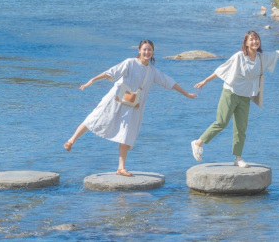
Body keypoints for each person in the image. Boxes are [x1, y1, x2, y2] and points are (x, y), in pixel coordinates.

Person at [64, 39, 197, 176]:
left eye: (149, 49)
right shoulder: (130, 63)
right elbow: (111, 72)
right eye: (144, 49)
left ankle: (121, 168)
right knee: (95, 118)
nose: (147, 52)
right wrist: (92, 80)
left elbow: (168, 82)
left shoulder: (152, 71)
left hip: (133, 105)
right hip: (115, 99)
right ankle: (71, 141)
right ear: (139, 50)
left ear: (153, 52)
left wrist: (185, 93)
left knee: (127, 134)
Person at [190, 31, 279, 167]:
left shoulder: (261, 58)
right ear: (246, 43)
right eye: (251, 39)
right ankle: (198, 143)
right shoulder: (239, 56)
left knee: (241, 128)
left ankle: (238, 158)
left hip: (245, 97)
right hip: (230, 93)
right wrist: (205, 81)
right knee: (222, 122)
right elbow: (221, 70)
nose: (255, 42)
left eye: (257, 39)